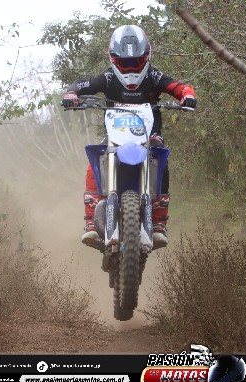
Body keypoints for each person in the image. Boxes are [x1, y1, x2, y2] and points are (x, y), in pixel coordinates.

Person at [62, 25, 197, 250]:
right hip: (116, 136)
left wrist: (187, 96)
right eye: (125, 63)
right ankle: (91, 222)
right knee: (96, 158)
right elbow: (81, 84)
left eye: (136, 61)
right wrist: (71, 94)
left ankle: (158, 222)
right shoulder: (107, 78)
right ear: (113, 58)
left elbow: (180, 87)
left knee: (161, 158)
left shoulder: (154, 76)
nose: (131, 67)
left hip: (150, 135)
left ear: (146, 56)